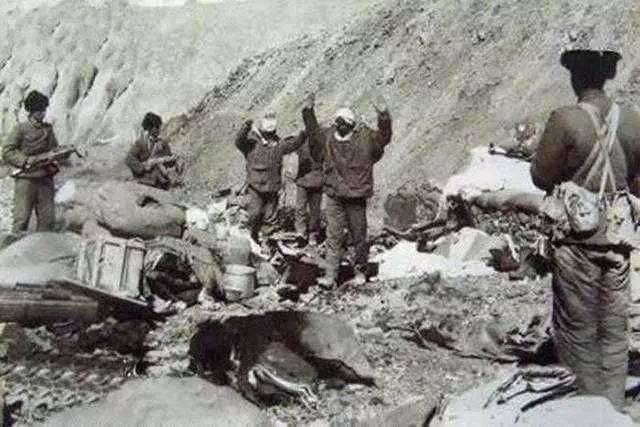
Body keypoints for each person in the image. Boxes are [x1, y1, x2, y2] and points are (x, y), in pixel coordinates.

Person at [531, 49, 640, 410]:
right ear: (607, 77)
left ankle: (584, 411)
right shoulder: (632, 120)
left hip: (577, 240)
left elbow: (541, 176)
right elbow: (637, 182)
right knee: (614, 327)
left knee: (578, 327)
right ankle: (612, 408)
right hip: (618, 237)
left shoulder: (565, 119)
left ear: (575, 79)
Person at [302, 93, 392, 288]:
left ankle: (360, 271)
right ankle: (331, 275)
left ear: (351, 125)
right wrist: (308, 112)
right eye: (338, 124)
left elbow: (384, 137)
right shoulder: (329, 137)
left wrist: (383, 115)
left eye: (344, 124)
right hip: (335, 195)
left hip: (355, 196)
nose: (340, 127)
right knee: (333, 236)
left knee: (358, 235)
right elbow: (314, 134)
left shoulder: (365, 138)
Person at [235, 112, 306, 245]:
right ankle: (250, 239)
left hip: (272, 188)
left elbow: (294, 143)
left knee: (270, 218)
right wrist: (245, 128)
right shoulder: (251, 144)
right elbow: (239, 141)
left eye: (271, 133)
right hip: (255, 187)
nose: (270, 136)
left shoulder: (279, 145)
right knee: (254, 214)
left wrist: (304, 132)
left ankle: (268, 243)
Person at [3, 90, 60, 232]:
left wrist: (56, 159)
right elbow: (7, 151)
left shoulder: (48, 129)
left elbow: (55, 150)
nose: (43, 113)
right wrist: (25, 161)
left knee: (48, 222)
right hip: (26, 179)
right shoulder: (21, 129)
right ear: (32, 111)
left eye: (44, 110)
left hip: (45, 180)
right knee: (21, 221)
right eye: (40, 110)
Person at [126, 112, 178, 190]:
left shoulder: (163, 142)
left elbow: (169, 159)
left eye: (158, 127)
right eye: (156, 127)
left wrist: (169, 159)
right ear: (149, 128)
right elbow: (129, 159)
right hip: (144, 179)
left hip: (161, 180)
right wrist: (144, 166)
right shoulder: (141, 143)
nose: (159, 129)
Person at [294, 132, 324, 246]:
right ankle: (302, 233)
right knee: (302, 209)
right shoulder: (301, 139)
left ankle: (310, 234)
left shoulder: (321, 138)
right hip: (305, 179)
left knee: (313, 210)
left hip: (315, 180)